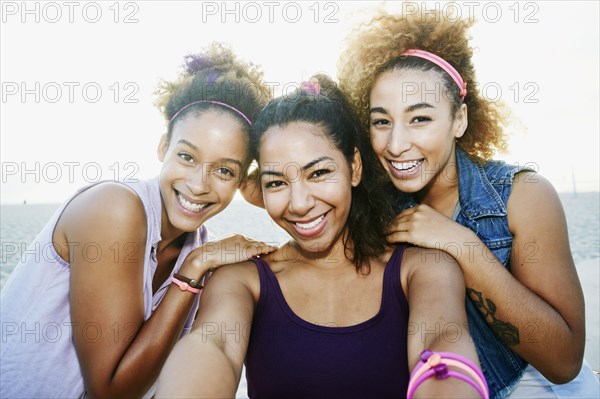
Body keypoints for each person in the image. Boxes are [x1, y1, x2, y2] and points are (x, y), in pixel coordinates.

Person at [155, 77, 489, 398]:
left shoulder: (422, 270)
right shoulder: (242, 280)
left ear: (354, 167)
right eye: (276, 183)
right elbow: (213, 344)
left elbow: (442, 343)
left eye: (319, 173)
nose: (299, 203)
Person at [336, 8, 599, 399]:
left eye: (420, 119)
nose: (395, 144)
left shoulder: (522, 196)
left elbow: (563, 362)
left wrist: (461, 245)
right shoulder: (372, 205)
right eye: (381, 121)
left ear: (459, 120)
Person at [0, 43, 276, 398]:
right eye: (187, 156)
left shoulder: (198, 246)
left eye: (224, 170)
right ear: (163, 148)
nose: (198, 185)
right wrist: (192, 271)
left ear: (241, 183)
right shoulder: (114, 209)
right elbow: (110, 391)